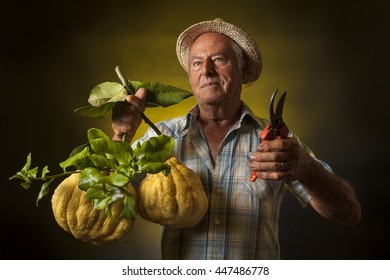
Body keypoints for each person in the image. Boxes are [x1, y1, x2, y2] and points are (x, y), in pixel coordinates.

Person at [111, 18, 361, 260]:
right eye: (196, 63)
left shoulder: (277, 142)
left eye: (218, 60)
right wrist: (120, 138)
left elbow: (349, 213)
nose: (206, 70)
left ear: (242, 70)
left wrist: (305, 168)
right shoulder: (162, 136)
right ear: (190, 76)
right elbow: (109, 205)